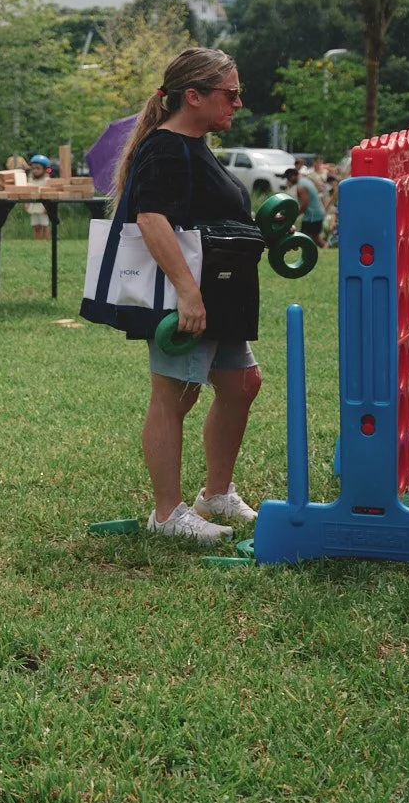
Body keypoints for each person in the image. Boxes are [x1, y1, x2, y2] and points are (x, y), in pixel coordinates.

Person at [110, 47, 262, 544]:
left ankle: (215, 495)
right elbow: (150, 219)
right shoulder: (166, 146)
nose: (238, 103)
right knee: (174, 395)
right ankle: (167, 514)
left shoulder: (196, 145)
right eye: (230, 93)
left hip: (222, 298)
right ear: (192, 96)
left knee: (243, 384)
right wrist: (187, 293)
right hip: (190, 300)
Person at [286, 164, 327, 245]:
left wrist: (295, 214)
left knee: (305, 237)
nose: (287, 181)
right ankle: (327, 247)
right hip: (317, 213)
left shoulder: (301, 186)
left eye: (288, 178)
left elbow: (305, 204)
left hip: (313, 215)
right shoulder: (304, 181)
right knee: (314, 237)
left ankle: (327, 248)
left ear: (292, 176)